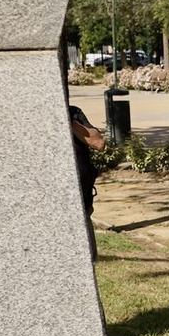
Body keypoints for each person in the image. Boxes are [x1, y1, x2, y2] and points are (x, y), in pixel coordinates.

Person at [66, 98, 106, 261]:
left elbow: (98, 143)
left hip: (81, 196)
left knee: (88, 259)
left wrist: (67, 120)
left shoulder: (73, 112)